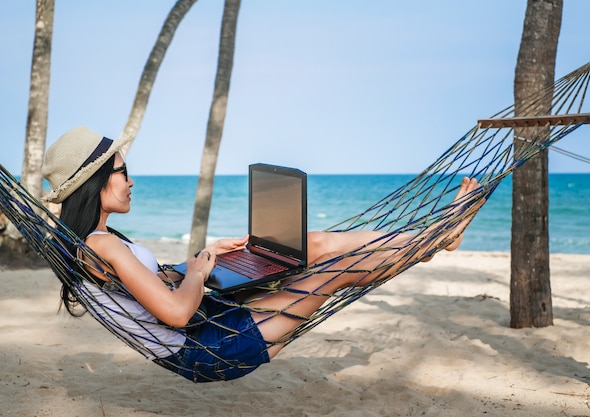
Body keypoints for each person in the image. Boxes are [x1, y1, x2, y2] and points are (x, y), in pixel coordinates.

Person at [42, 126, 482, 382]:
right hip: (209, 347)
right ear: (95, 184)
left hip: (210, 318)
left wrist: (205, 255)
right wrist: (196, 273)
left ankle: (433, 238)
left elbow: (148, 285)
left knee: (312, 245)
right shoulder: (101, 246)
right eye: (122, 172)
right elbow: (175, 313)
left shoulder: (98, 239)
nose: (131, 181)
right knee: (333, 271)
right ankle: (439, 237)